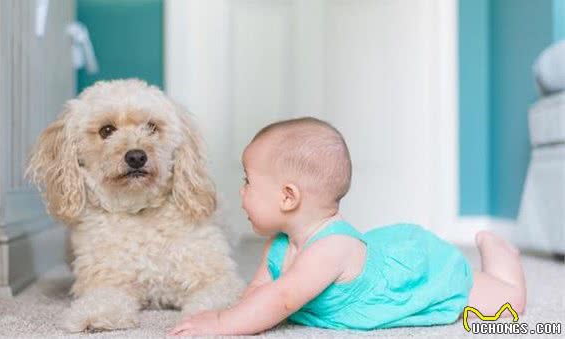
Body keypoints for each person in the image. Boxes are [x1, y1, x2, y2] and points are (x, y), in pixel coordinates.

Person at [169, 117, 527, 336]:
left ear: (288, 197)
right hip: (375, 254)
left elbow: (281, 299)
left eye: (249, 182)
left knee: (507, 304)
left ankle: (502, 261)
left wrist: (219, 323)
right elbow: (260, 293)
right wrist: (240, 316)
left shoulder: (329, 249)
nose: (241, 191)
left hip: (411, 272)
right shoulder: (278, 245)